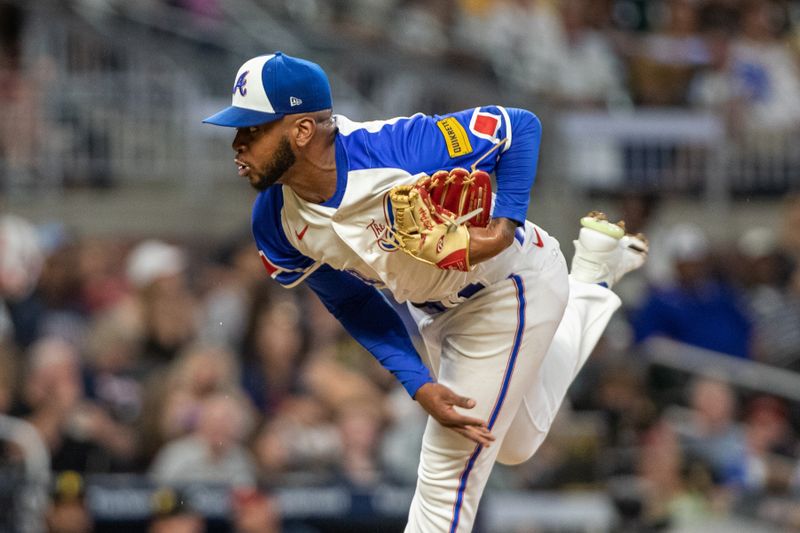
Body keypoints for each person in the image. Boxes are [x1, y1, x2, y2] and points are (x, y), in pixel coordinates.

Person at [203, 51, 647, 532]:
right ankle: (591, 281)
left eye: (252, 130)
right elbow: (351, 301)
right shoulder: (274, 220)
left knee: (445, 478)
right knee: (514, 447)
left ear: (303, 131)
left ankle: (583, 282)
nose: (237, 145)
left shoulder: (397, 148)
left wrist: (501, 229)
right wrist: (416, 381)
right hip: (439, 314)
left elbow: (518, 126)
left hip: (509, 284)